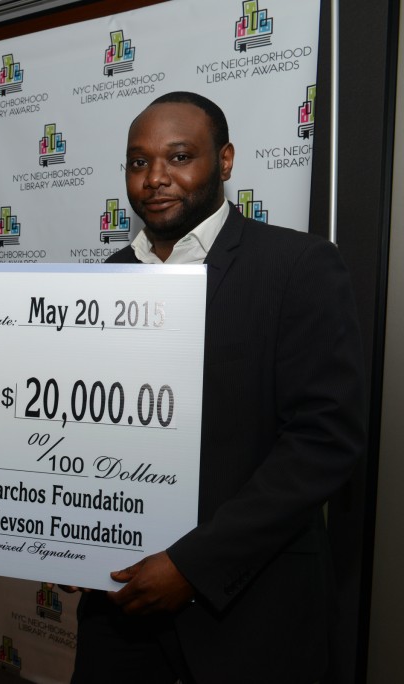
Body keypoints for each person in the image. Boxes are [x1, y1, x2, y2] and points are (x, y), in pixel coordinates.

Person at [67, 92, 367, 684]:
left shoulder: (297, 266)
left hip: (253, 615)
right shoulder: (101, 282)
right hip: (118, 611)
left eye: (179, 157)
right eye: (138, 162)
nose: (156, 179)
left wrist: (193, 566)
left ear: (224, 161)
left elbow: (324, 441)